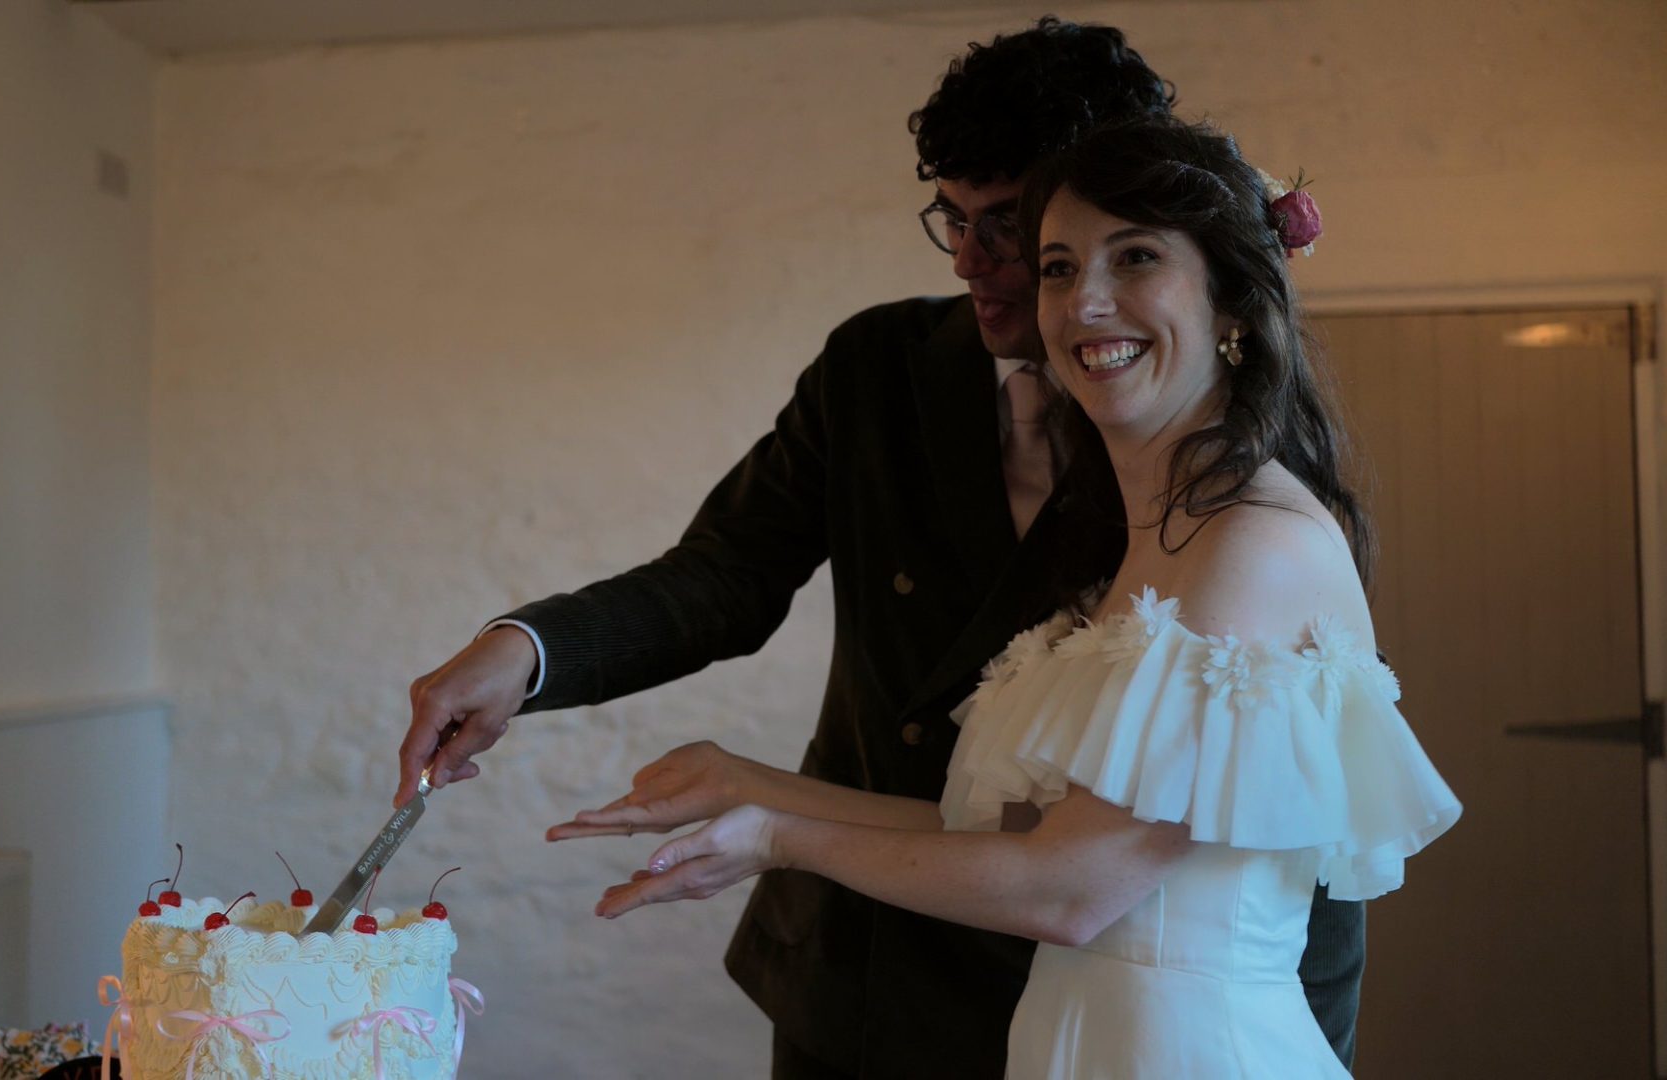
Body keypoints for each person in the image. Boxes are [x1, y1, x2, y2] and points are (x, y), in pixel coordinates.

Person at [398, 20, 1363, 1077]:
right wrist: (528, 651)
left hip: (1073, 986)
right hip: (857, 977)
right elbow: (724, 572)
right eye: (956, 221)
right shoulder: (878, 367)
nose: (972, 262)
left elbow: (1288, 827)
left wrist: (1297, 1039)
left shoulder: (1223, 501)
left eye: (1009, 227)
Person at [557, 117, 1462, 1077]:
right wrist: (746, 783)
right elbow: (1011, 840)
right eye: (1061, 267)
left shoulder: (1254, 541)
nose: (1085, 304)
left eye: (1137, 257)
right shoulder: (1149, 538)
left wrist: (785, 836)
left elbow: (1067, 891)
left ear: (1234, 302)